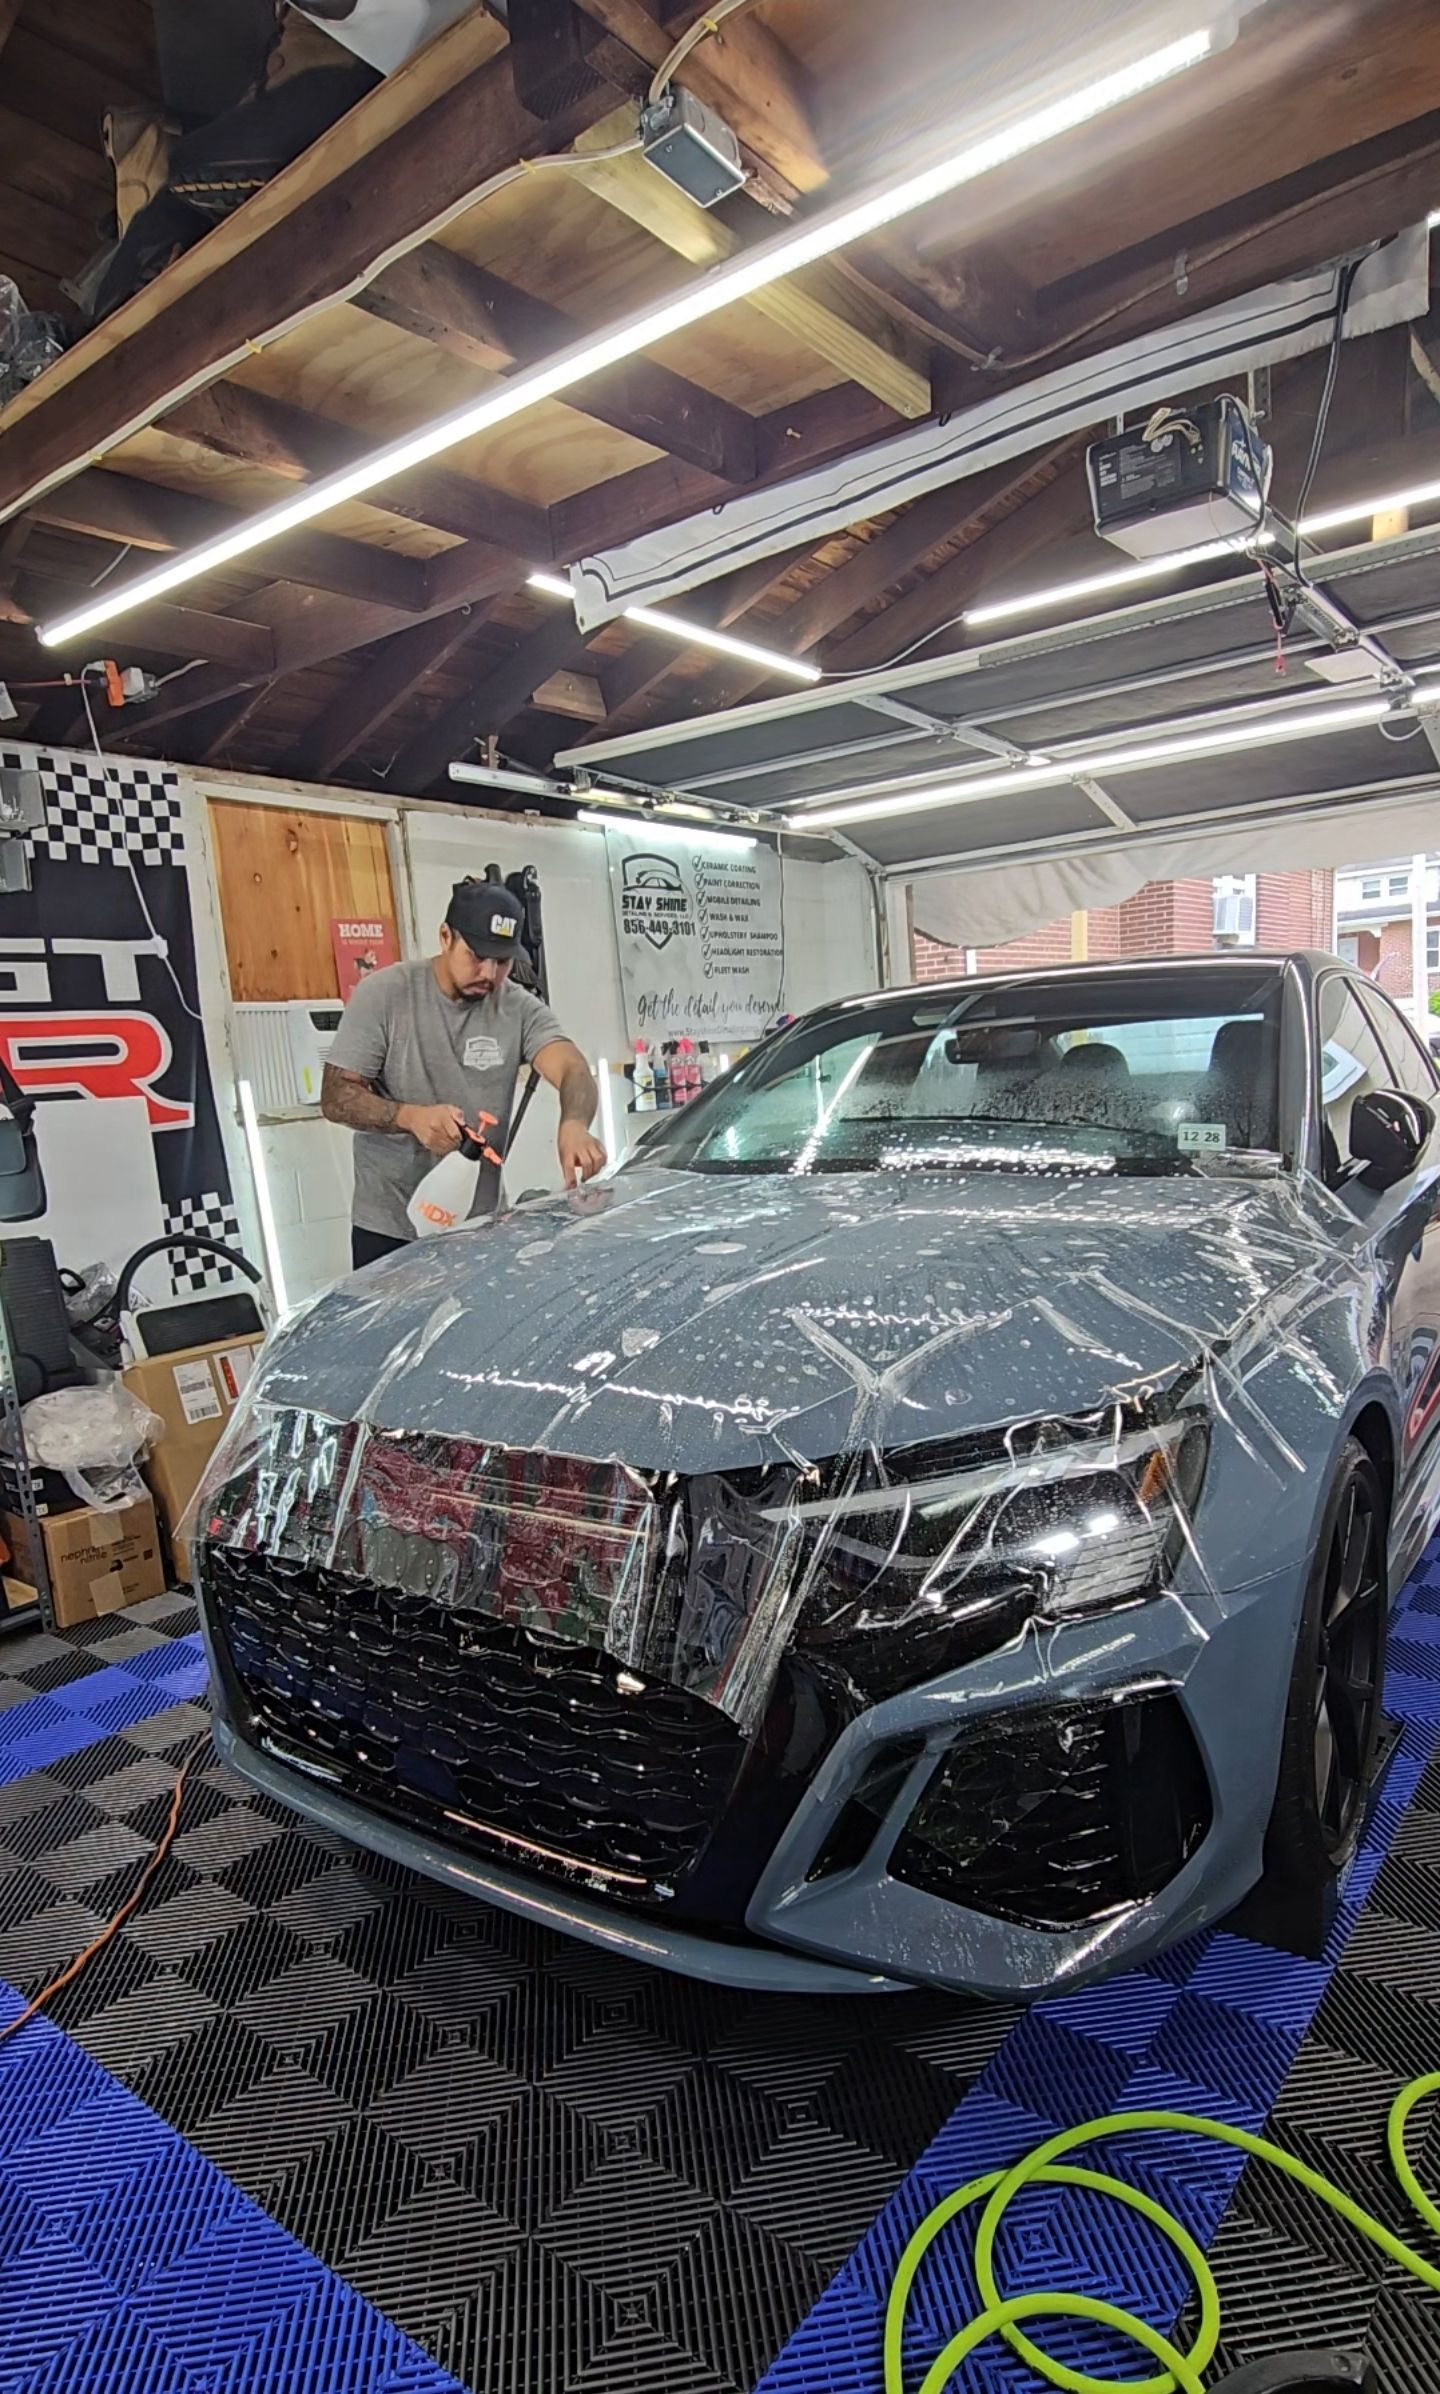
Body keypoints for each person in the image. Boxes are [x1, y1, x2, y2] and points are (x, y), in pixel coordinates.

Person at [322, 877, 606, 1270]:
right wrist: (410, 1117)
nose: (489, 973)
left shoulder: (518, 1008)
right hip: (391, 1230)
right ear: (445, 937)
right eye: (476, 955)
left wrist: (574, 1123)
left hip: (481, 1228)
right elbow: (336, 1097)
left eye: (502, 961)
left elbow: (572, 1066)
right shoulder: (384, 995)